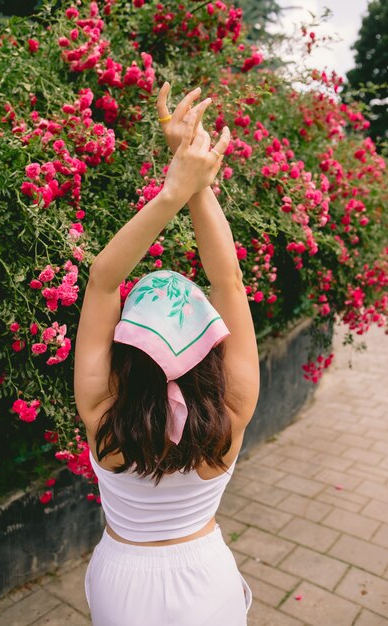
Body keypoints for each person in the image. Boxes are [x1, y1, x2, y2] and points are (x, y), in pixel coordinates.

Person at [74, 82, 260, 626]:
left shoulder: (101, 412)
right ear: (210, 355)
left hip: (121, 582)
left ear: (123, 355)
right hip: (206, 579)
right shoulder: (231, 412)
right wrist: (196, 181)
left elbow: (103, 281)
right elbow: (227, 278)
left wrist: (173, 190)